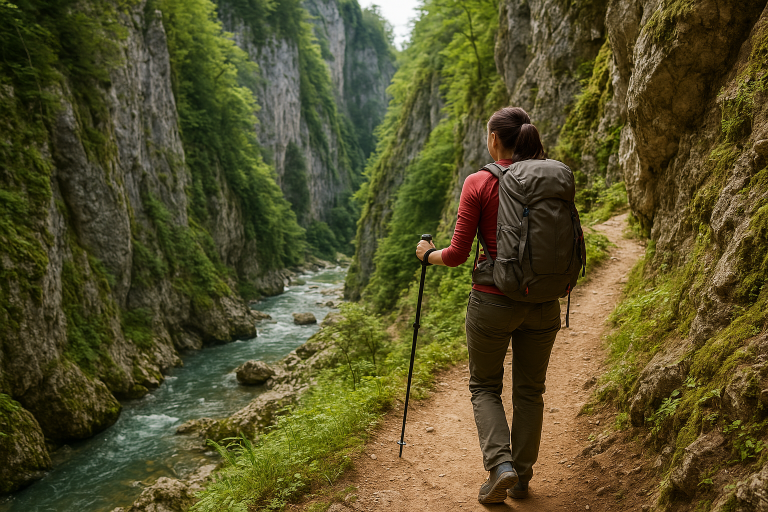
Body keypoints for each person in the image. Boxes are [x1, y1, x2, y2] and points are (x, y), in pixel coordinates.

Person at [415, 107, 561, 504]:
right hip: (545, 302)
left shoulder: (479, 182)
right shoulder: (551, 178)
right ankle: (524, 476)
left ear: (495, 139)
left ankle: (501, 467)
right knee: (530, 391)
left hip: (492, 302)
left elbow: (459, 254)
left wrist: (428, 254)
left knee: (484, 386)